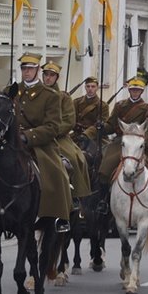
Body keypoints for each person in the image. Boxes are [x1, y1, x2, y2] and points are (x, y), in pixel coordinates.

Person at [0, 53, 74, 232]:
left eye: (30, 68)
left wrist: (27, 136)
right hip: (9, 141)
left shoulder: (50, 95)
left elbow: (53, 126)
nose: (26, 72)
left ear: (37, 70)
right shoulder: (10, 92)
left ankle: (57, 217)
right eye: (23, 68)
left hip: (38, 144)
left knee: (57, 172)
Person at [84, 76, 148, 213]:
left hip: (141, 144)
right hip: (121, 142)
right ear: (129, 90)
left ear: (141, 91)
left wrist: (142, 143)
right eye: (133, 90)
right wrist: (102, 127)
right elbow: (111, 125)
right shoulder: (119, 106)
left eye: (137, 90)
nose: (135, 92)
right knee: (104, 170)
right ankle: (103, 200)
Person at [40, 61, 92, 213]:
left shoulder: (63, 97)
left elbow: (69, 121)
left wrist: (51, 131)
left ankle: (76, 195)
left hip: (57, 136)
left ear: (57, 78)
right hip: (36, 135)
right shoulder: (36, 94)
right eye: (46, 75)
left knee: (75, 158)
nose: (48, 78)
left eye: (52, 75)